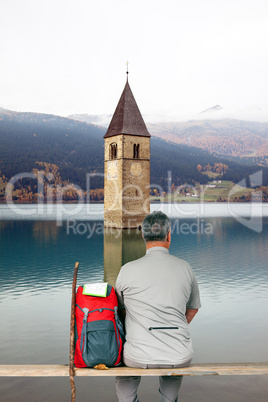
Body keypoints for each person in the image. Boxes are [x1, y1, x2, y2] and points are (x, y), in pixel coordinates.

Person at [115, 211, 201, 402]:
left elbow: (119, 311)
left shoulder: (127, 270)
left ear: (143, 235)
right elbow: (193, 308)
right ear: (169, 235)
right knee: (174, 361)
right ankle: (168, 400)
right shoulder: (185, 268)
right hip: (178, 353)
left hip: (137, 354)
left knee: (126, 365)